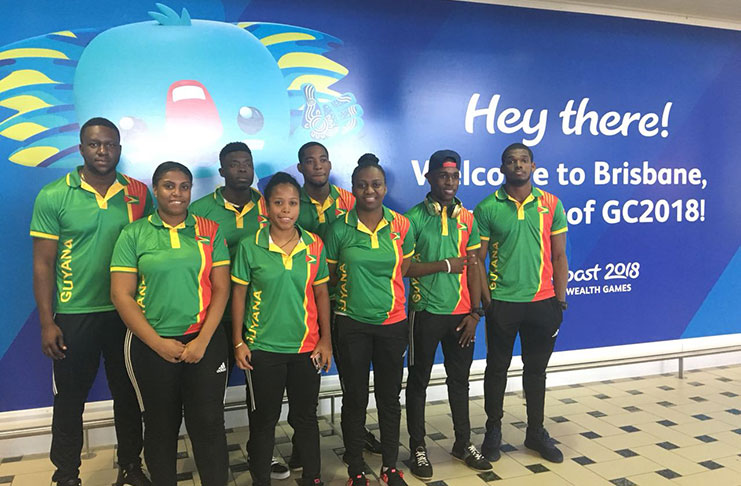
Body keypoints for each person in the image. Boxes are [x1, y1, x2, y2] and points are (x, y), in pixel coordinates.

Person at [30, 117, 151, 486]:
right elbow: (43, 263)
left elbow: (150, 250)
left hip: (125, 313)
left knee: (129, 395)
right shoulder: (54, 195)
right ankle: (66, 474)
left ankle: (130, 466)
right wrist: (47, 322)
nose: (103, 151)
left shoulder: (138, 193)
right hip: (74, 315)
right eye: (95, 144)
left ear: (119, 148)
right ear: (81, 148)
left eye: (110, 144)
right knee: (69, 400)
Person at [110, 162, 231, 486]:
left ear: (191, 190)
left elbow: (221, 289)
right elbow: (121, 295)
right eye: (168, 185)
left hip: (204, 342)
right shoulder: (133, 233)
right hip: (152, 346)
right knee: (161, 426)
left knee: (208, 424)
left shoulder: (209, 230)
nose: (176, 193)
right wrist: (158, 343)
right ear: (155, 189)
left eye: (183, 186)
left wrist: (202, 342)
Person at [190, 142, 291, 480]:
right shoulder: (202, 210)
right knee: (209, 397)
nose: (242, 169)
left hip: (259, 318)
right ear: (222, 172)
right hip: (213, 318)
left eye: (246, 163)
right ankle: (214, 461)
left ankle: (260, 454)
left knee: (258, 398)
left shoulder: (270, 207)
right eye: (234, 164)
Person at [230, 172, 332, 486]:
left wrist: (326, 340)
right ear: (266, 205)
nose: (285, 210)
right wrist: (238, 342)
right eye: (278, 203)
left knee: (305, 418)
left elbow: (321, 293)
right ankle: (261, 479)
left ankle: (312, 477)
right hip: (264, 349)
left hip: (306, 348)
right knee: (264, 420)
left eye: (292, 203)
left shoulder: (314, 244)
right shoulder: (250, 246)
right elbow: (238, 295)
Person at [474, 143, 568, 464]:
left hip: (543, 304)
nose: (518, 165)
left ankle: (536, 431)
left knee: (536, 371)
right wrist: (487, 301)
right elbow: (478, 261)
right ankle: (493, 431)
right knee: (496, 369)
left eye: (523, 161)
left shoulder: (551, 204)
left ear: (533, 166)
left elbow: (558, 255)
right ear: (502, 168)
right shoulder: (487, 207)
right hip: (503, 303)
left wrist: (560, 299)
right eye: (511, 161)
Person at [325, 154, 414, 486]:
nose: (369, 190)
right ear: (353, 188)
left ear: (385, 187)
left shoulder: (402, 225)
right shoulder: (338, 228)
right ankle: (356, 470)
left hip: (393, 324)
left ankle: (390, 466)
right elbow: (330, 278)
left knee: (389, 398)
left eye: (375, 184)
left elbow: (403, 268)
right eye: (362, 185)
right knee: (355, 398)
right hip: (351, 325)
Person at [292, 141, 383, 466]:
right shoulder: (289, 201)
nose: (318, 166)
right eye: (310, 161)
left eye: (323, 160)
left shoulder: (350, 199)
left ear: (330, 165)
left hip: (344, 307)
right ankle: (302, 444)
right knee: (304, 381)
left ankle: (355, 438)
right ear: (301, 167)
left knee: (353, 380)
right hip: (301, 306)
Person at [404, 150, 492, 479]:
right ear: (429, 178)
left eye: (455, 177)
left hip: (461, 317)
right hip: (424, 314)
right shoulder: (412, 218)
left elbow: (473, 267)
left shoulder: (467, 218)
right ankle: (418, 447)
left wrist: (475, 312)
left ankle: (463, 443)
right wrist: (443, 266)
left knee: (460, 381)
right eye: (443, 176)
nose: (450, 182)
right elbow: (406, 268)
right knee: (419, 382)